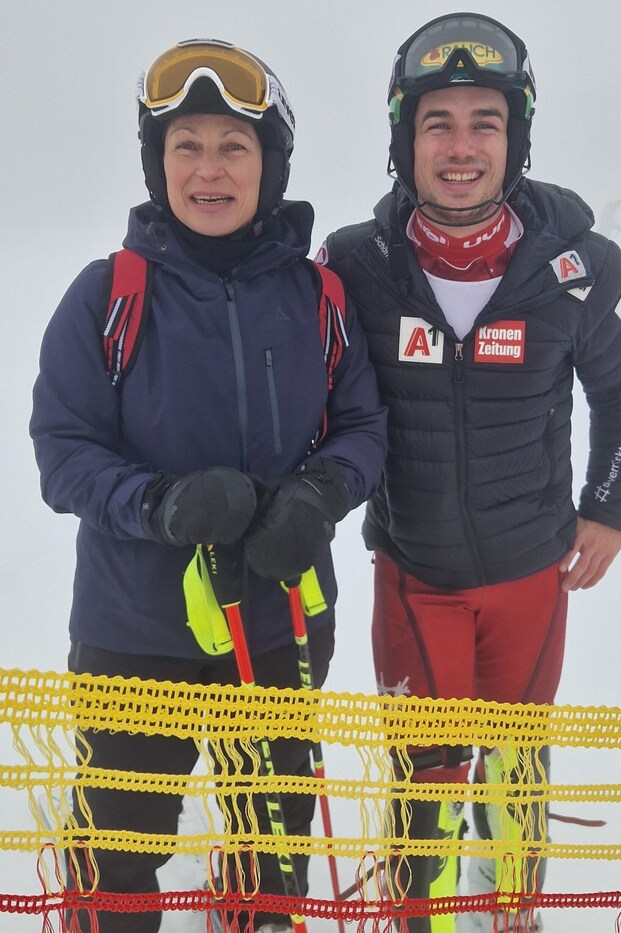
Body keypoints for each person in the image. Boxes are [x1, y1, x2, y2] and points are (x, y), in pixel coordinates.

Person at [30, 38, 387, 933]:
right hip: (132, 627)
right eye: (185, 145)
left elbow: (364, 427)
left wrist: (321, 493)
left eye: (234, 146)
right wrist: (158, 504)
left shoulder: (320, 297)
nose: (208, 169)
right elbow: (63, 451)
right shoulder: (107, 296)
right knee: (117, 845)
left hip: (278, 615)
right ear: (158, 164)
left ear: (271, 164)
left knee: (271, 834)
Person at [319, 12, 621, 933]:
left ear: (517, 138)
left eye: (486, 122)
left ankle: (509, 905)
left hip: (529, 576)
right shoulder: (355, 262)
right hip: (414, 574)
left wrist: (612, 506)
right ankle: (424, 913)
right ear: (406, 139)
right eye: (438, 123)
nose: (462, 147)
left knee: (515, 764)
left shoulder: (582, 266)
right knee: (426, 772)